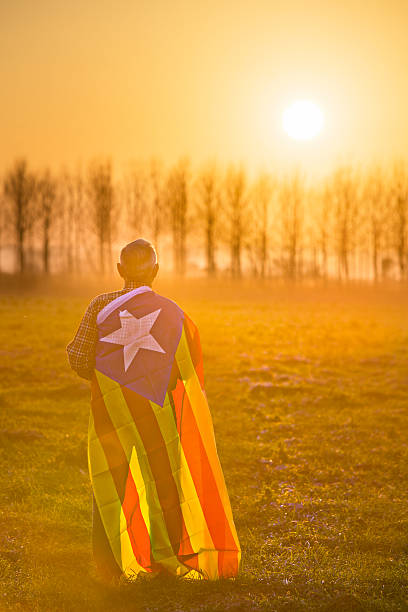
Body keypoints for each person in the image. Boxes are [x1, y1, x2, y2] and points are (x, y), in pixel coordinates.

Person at [66, 239, 240, 583]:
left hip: (109, 413)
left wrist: (110, 380)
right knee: (164, 486)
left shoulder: (100, 306)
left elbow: (79, 359)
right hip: (157, 415)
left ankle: (108, 568)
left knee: (111, 485)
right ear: (156, 272)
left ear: (119, 271)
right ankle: (167, 563)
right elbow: (185, 368)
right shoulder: (172, 313)